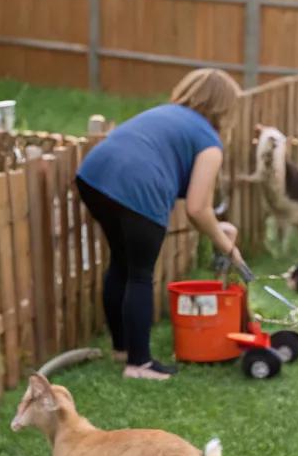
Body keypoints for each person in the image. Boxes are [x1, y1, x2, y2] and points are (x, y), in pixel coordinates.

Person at [75, 68, 244, 381]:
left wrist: (219, 229)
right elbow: (197, 208)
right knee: (140, 274)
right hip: (138, 188)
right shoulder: (209, 142)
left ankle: (122, 348)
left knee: (122, 264)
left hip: (93, 176)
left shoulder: (165, 114)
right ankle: (139, 364)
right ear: (225, 108)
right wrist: (228, 246)